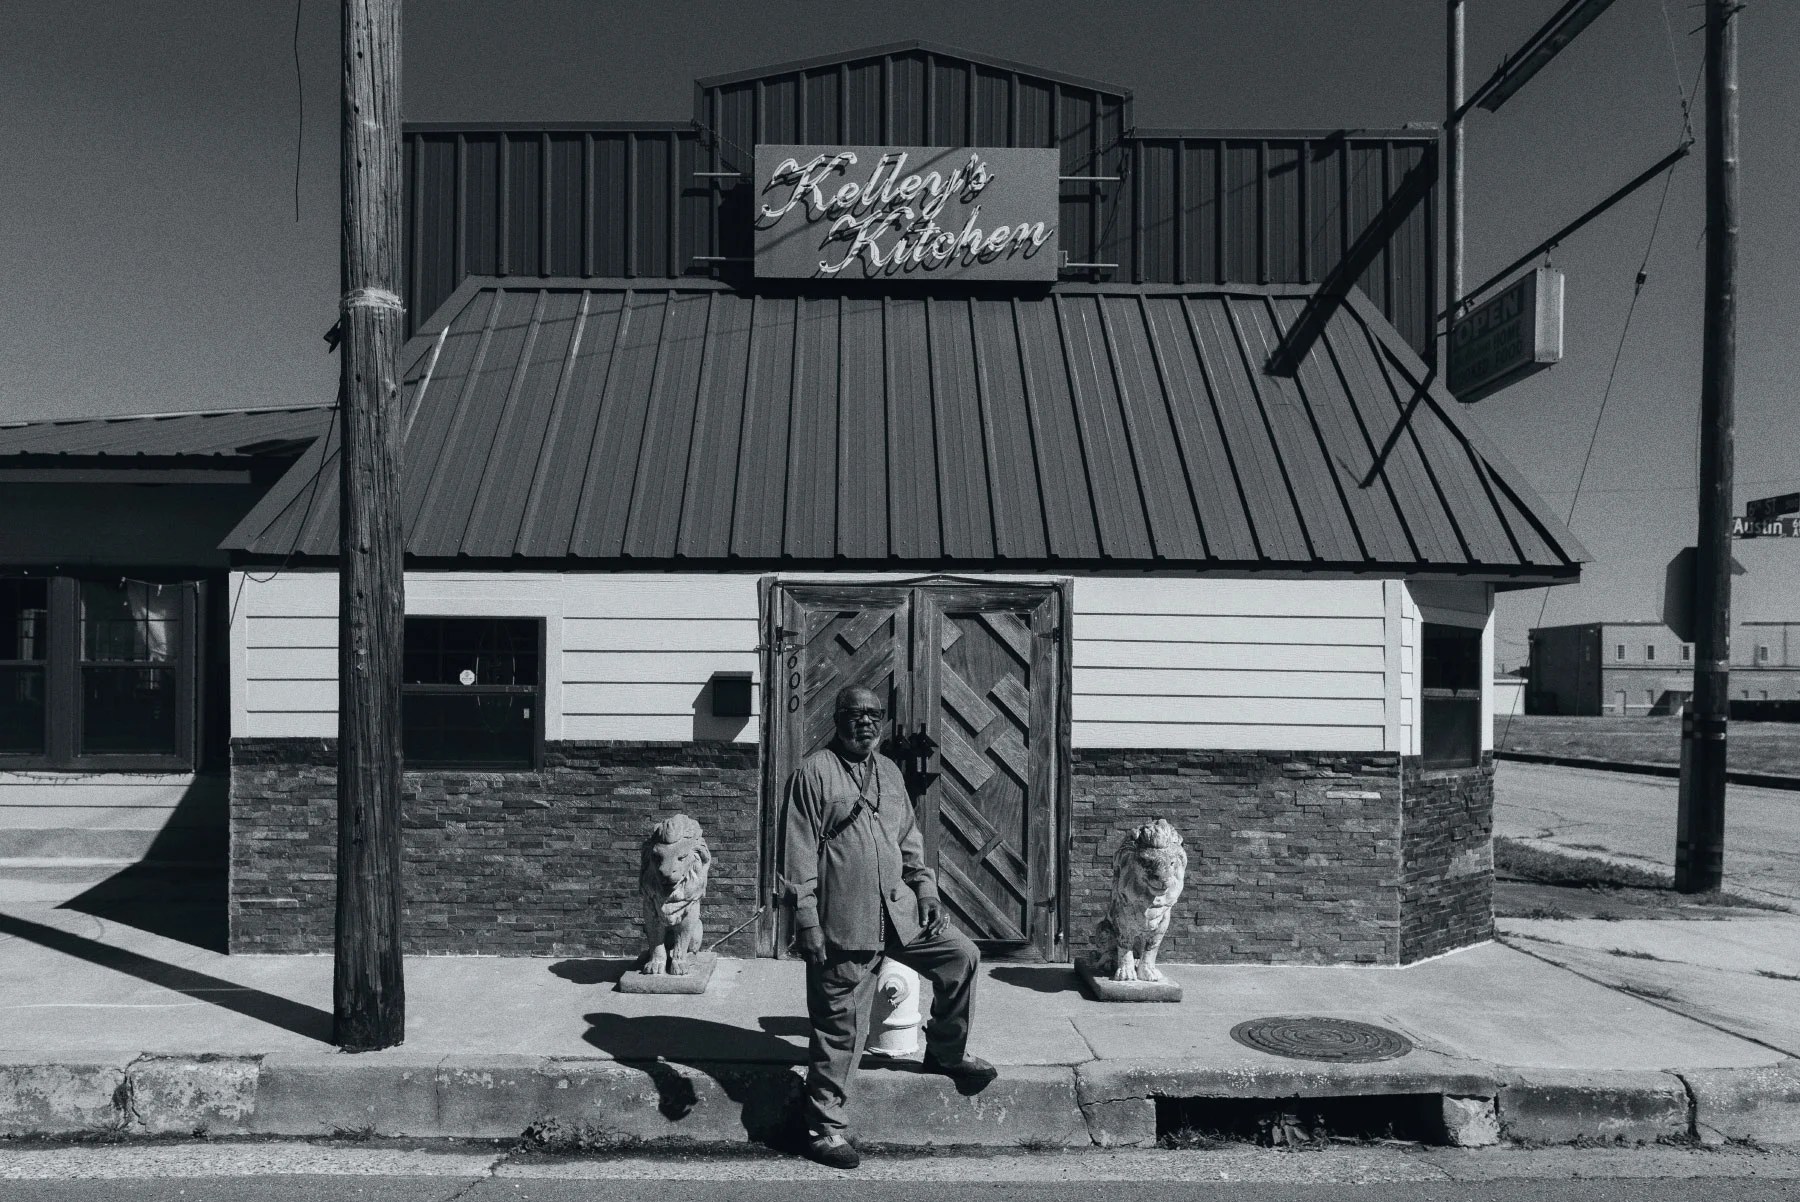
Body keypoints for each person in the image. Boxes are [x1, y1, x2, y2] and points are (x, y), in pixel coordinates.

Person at [781, 684, 997, 1169]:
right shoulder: (813, 774)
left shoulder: (890, 772)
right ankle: (824, 1129)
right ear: (837, 719)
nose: (866, 723)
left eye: (874, 715)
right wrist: (807, 922)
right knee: (840, 1027)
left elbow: (909, 839)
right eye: (855, 714)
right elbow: (797, 856)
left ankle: (943, 1051)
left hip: (900, 911)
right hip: (845, 919)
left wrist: (925, 890)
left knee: (961, 955)